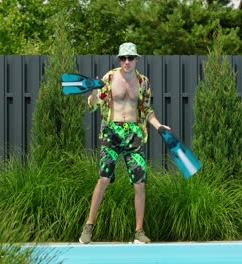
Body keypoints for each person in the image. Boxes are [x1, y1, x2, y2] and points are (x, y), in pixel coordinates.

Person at [79, 42, 171, 244]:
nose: (127, 62)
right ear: (119, 59)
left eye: (130, 58)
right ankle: (88, 227)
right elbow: (93, 106)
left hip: (134, 134)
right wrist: (93, 92)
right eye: (123, 58)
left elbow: (146, 109)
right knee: (103, 179)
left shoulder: (143, 82)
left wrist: (158, 126)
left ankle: (139, 231)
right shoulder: (109, 78)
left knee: (139, 183)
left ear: (137, 59)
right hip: (111, 132)